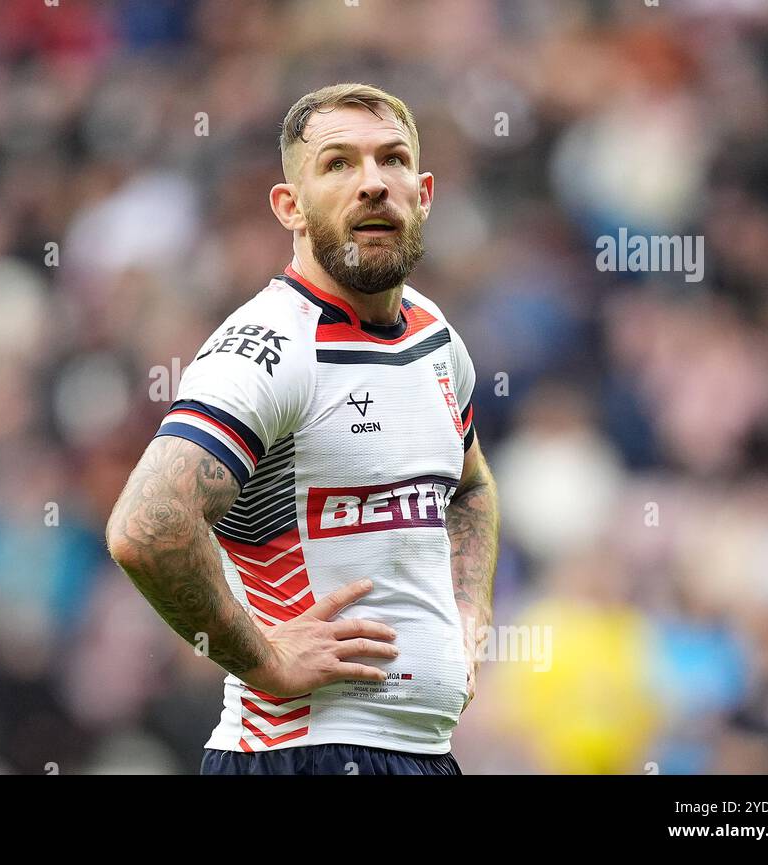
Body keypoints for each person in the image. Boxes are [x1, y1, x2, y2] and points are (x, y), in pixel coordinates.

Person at [106, 83, 500, 775]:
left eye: (393, 159)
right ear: (290, 206)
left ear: (425, 191)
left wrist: (470, 614)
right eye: (339, 163)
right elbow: (146, 526)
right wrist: (265, 658)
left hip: (423, 755)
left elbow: (471, 488)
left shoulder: (436, 337)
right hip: (305, 753)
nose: (373, 183)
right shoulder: (271, 345)